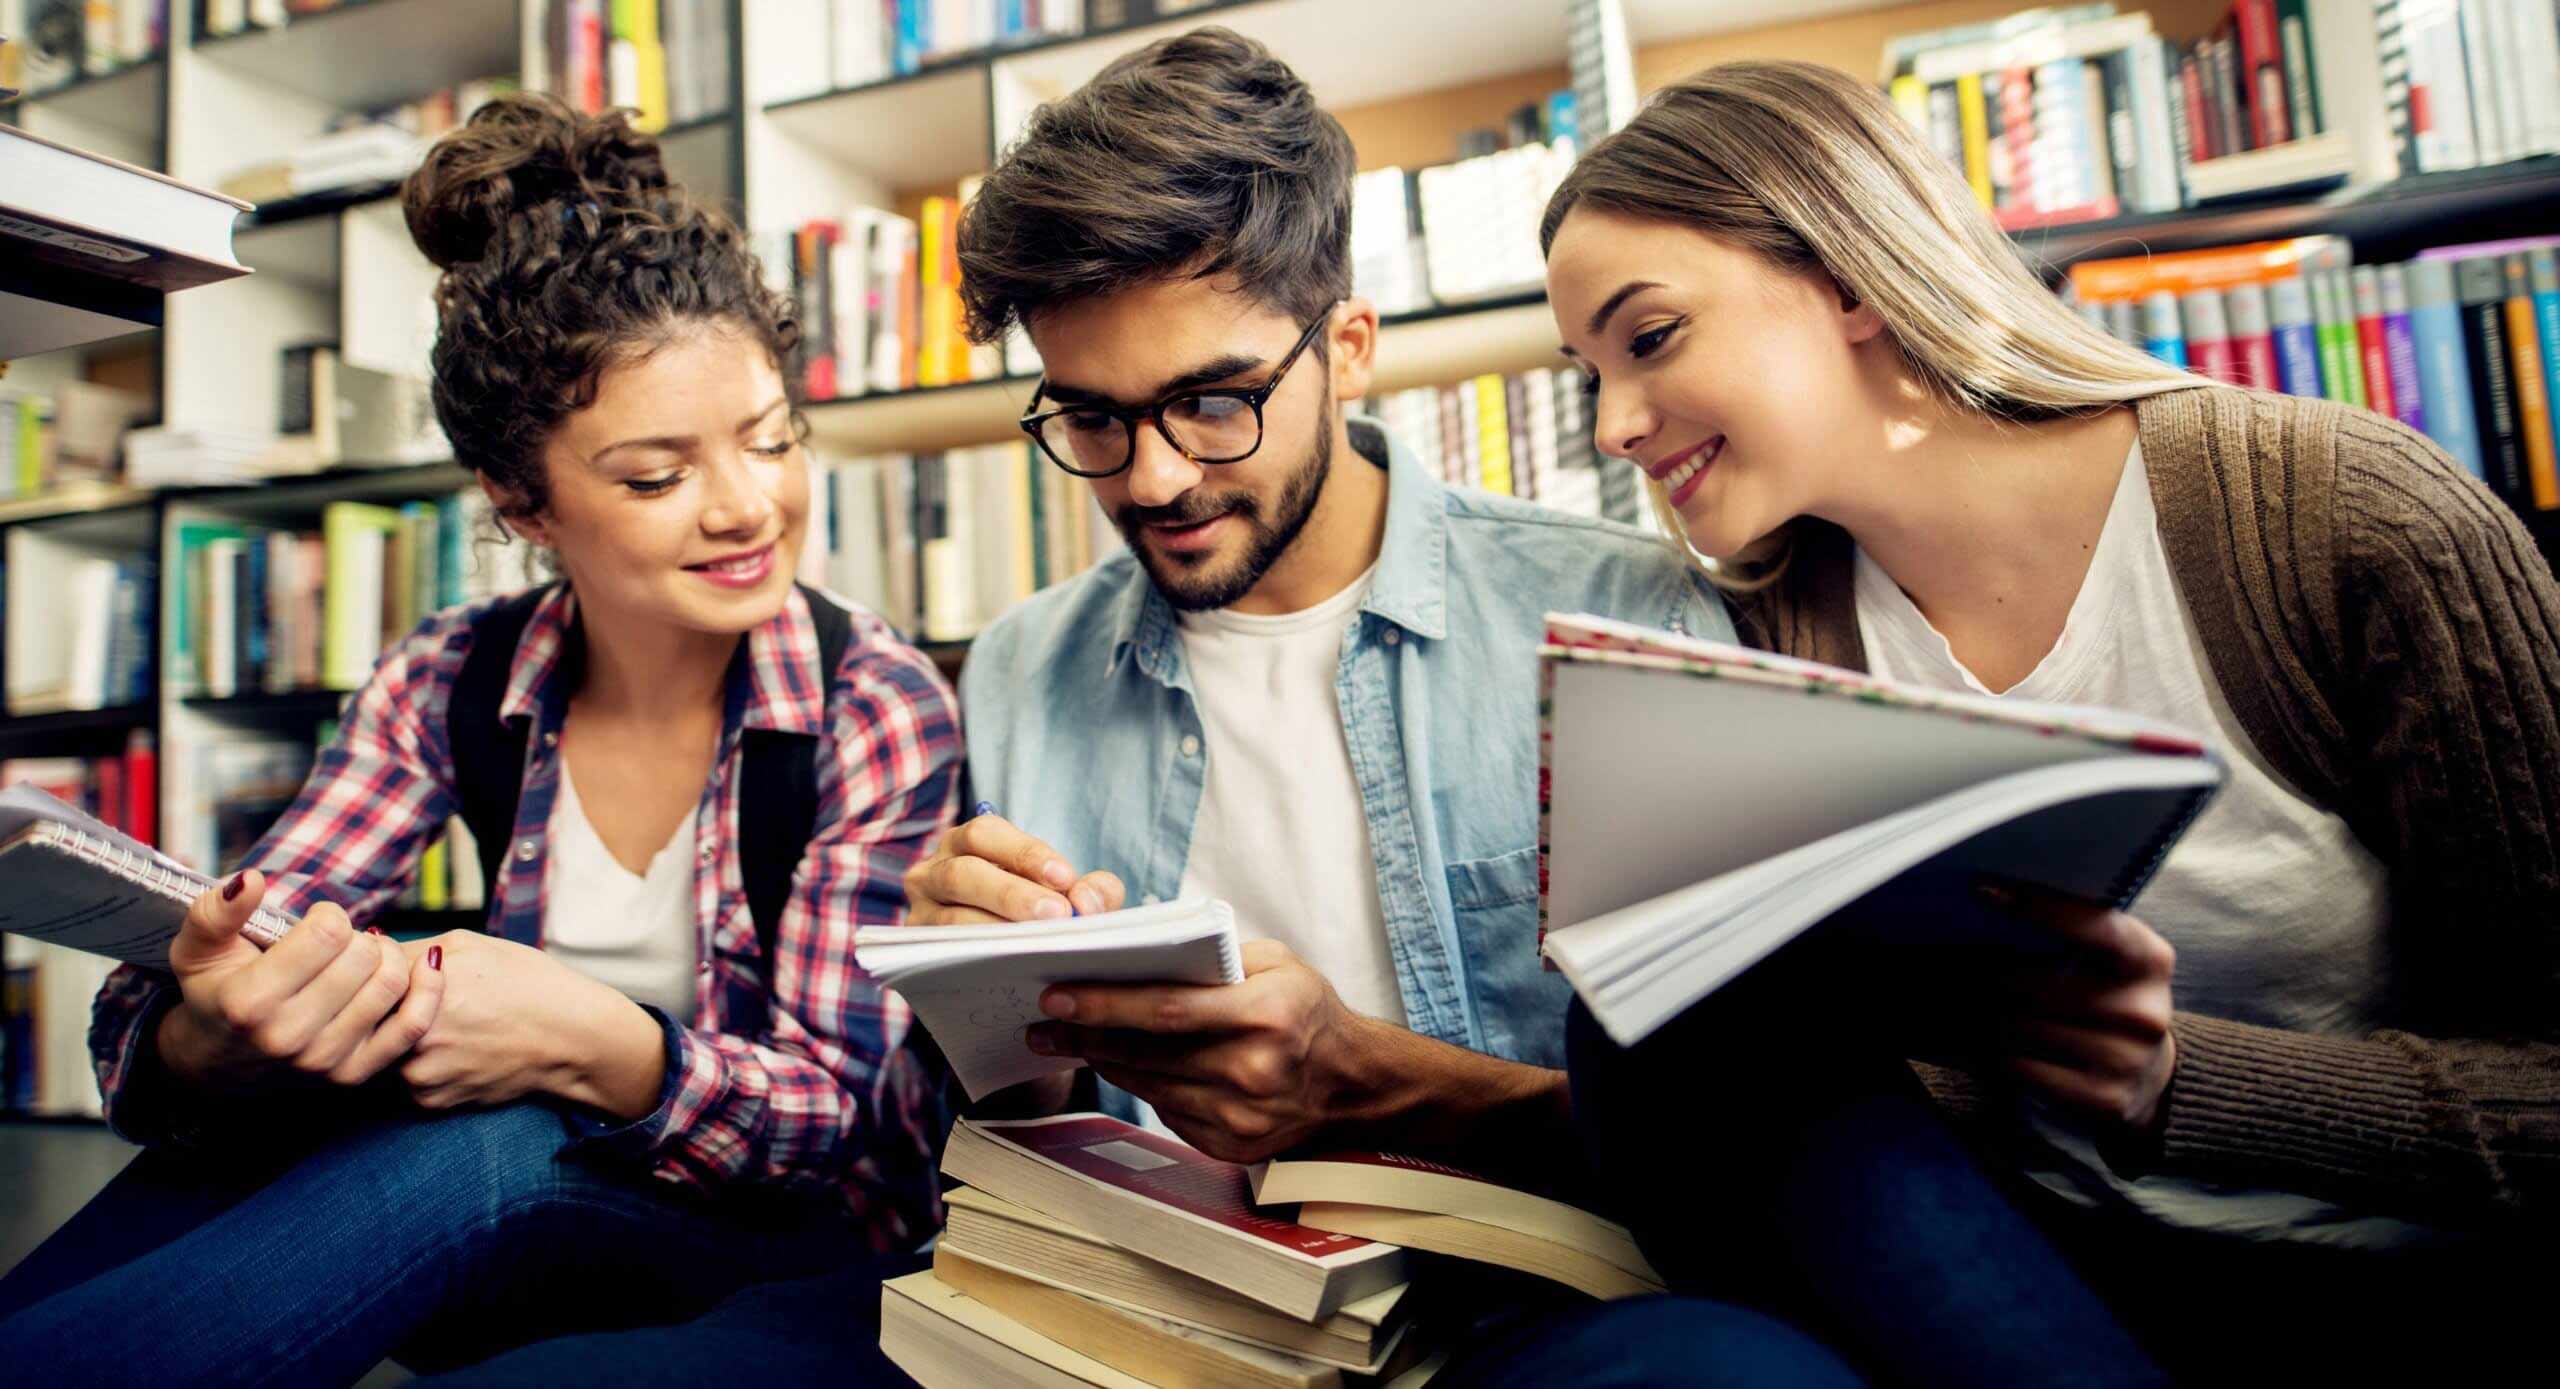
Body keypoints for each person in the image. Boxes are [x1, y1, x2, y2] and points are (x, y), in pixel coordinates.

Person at [1454, 59, 2559, 1385]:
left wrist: (2178, 1083)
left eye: (1648, 339)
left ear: (1850, 278)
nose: (1614, 427)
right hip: (2013, 1273)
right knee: (1656, 1039)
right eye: (1585, 373)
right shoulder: (1771, 627)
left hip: (2384, 1280)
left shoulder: (2345, 524)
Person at [0, 95, 959, 1386]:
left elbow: (841, 1134)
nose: (747, 507)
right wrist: (211, 1037)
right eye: (657, 475)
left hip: (786, 1242)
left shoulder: (873, 701)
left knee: (493, 1135)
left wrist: (590, 1040)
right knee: (278, 1122)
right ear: (521, 502)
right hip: (522, 1220)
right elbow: (217, 957)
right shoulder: (447, 673)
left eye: (772, 440)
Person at [907, 26, 1729, 1183]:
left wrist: (1394, 1089)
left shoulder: (1622, 621)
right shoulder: (1017, 672)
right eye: (1090, 418)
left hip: (1543, 1274)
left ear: (1347, 350)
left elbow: (1749, 1137)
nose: (1154, 479)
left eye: (1213, 402)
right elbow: (1026, 1133)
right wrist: (992, 1026)